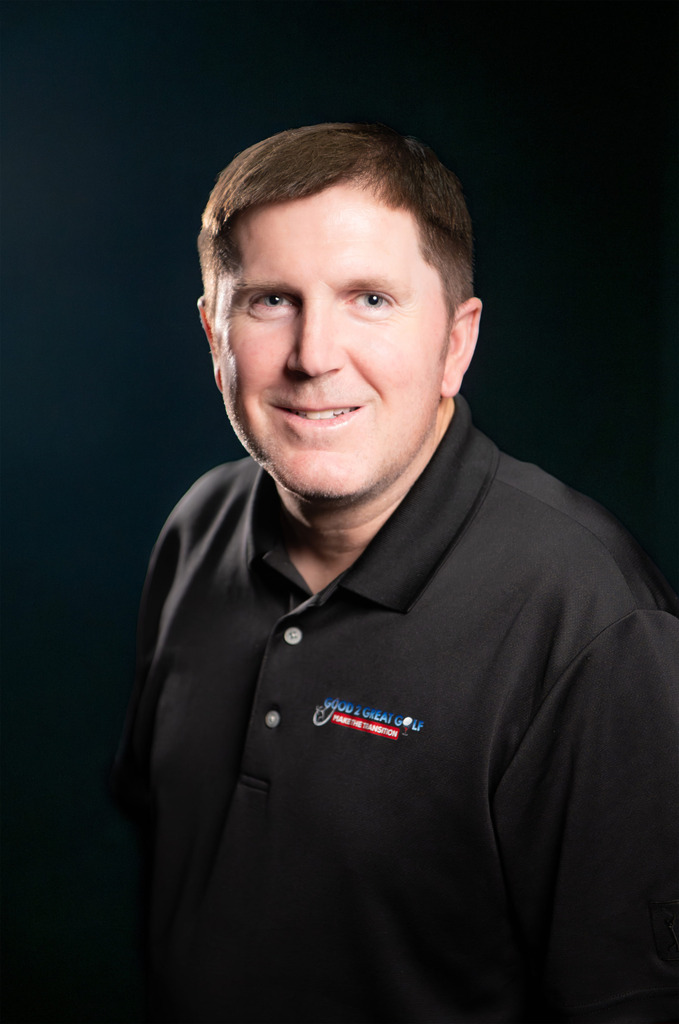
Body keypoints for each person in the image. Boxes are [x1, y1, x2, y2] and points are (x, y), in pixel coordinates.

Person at [113, 123, 679, 1023]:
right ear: (210, 333)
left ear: (457, 342)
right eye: (268, 301)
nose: (312, 356)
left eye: (370, 299)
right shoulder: (196, 529)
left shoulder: (591, 623)